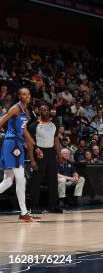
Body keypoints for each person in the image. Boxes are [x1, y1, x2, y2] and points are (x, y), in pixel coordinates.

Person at [0, 88, 43, 221]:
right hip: (12, 144)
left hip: (17, 143)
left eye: (29, 94)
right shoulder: (15, 108)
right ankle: (24, 212)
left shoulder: (26, 112)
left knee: (7, 181)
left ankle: (24, 212)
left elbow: (24, 132)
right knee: (21, 178)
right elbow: (2, 120)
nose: (27, 96)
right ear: (19, 96)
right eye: (24, 94)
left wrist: (35, 146)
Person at [29, 104, 63, 214]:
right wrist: (33, 159)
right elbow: (29, 142)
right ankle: (34, 206)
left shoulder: (54, 125)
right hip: (39, 153)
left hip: (51, 153)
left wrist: (59, 154)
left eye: (46, 110)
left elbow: (56, 140)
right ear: (39, 111)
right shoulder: (34, 125)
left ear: (49, 111)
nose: (44, 111)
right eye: (42, 109)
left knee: (53, 180)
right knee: (36, 181)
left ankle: (53, 206)